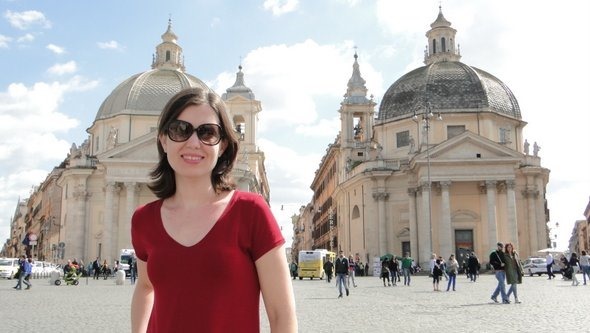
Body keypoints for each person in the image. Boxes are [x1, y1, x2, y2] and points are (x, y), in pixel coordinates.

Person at [130, 88, 297, 332]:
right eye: (180, 130)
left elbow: (281, 314)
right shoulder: (144, 219)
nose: (194, 142)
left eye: (207, 133)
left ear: (223, 145)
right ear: (163, 140)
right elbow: (145, 286)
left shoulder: (251, 212)